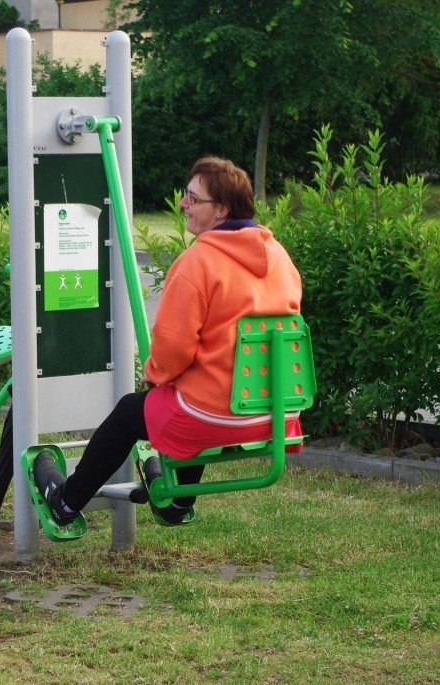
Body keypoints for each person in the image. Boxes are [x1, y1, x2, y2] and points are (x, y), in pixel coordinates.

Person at [34, 157, 304, 526]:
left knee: (131, 413)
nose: (183, 205)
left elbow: (173, 349)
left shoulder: (199, 261)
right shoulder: (279, 256)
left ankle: (66, 502)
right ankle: (175, 504)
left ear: (221, 210)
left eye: (193, 199)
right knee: (189, 393)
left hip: (215, 414)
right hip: (276, 414)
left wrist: (157, 374)